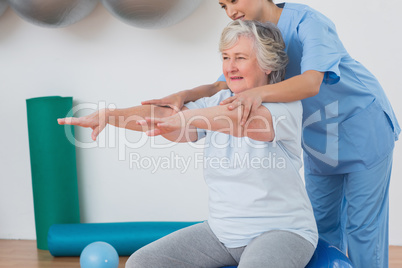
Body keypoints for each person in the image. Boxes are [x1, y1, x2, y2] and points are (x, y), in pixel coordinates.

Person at [143, 1, 400, 267]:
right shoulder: (255, 35)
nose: (230, 12)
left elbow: (312, 82)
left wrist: (259, 93)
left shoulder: (307, 23)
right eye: (223, 6)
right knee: (323, 224)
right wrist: (186, 95)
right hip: (318, 138)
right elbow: (222, 83)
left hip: (362, 127)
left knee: (363, 228)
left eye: (233, 1)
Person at [59, 20, 318, 268]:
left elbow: (239, 122)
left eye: (240, 57)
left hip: (282, 231)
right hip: (221, 233)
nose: (230, 67)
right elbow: (163, 117)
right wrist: (109, 116)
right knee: (142, 262)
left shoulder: (285, 106)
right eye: (226, 57)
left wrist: (184, 118)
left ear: (266, 65)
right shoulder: (215, 101)